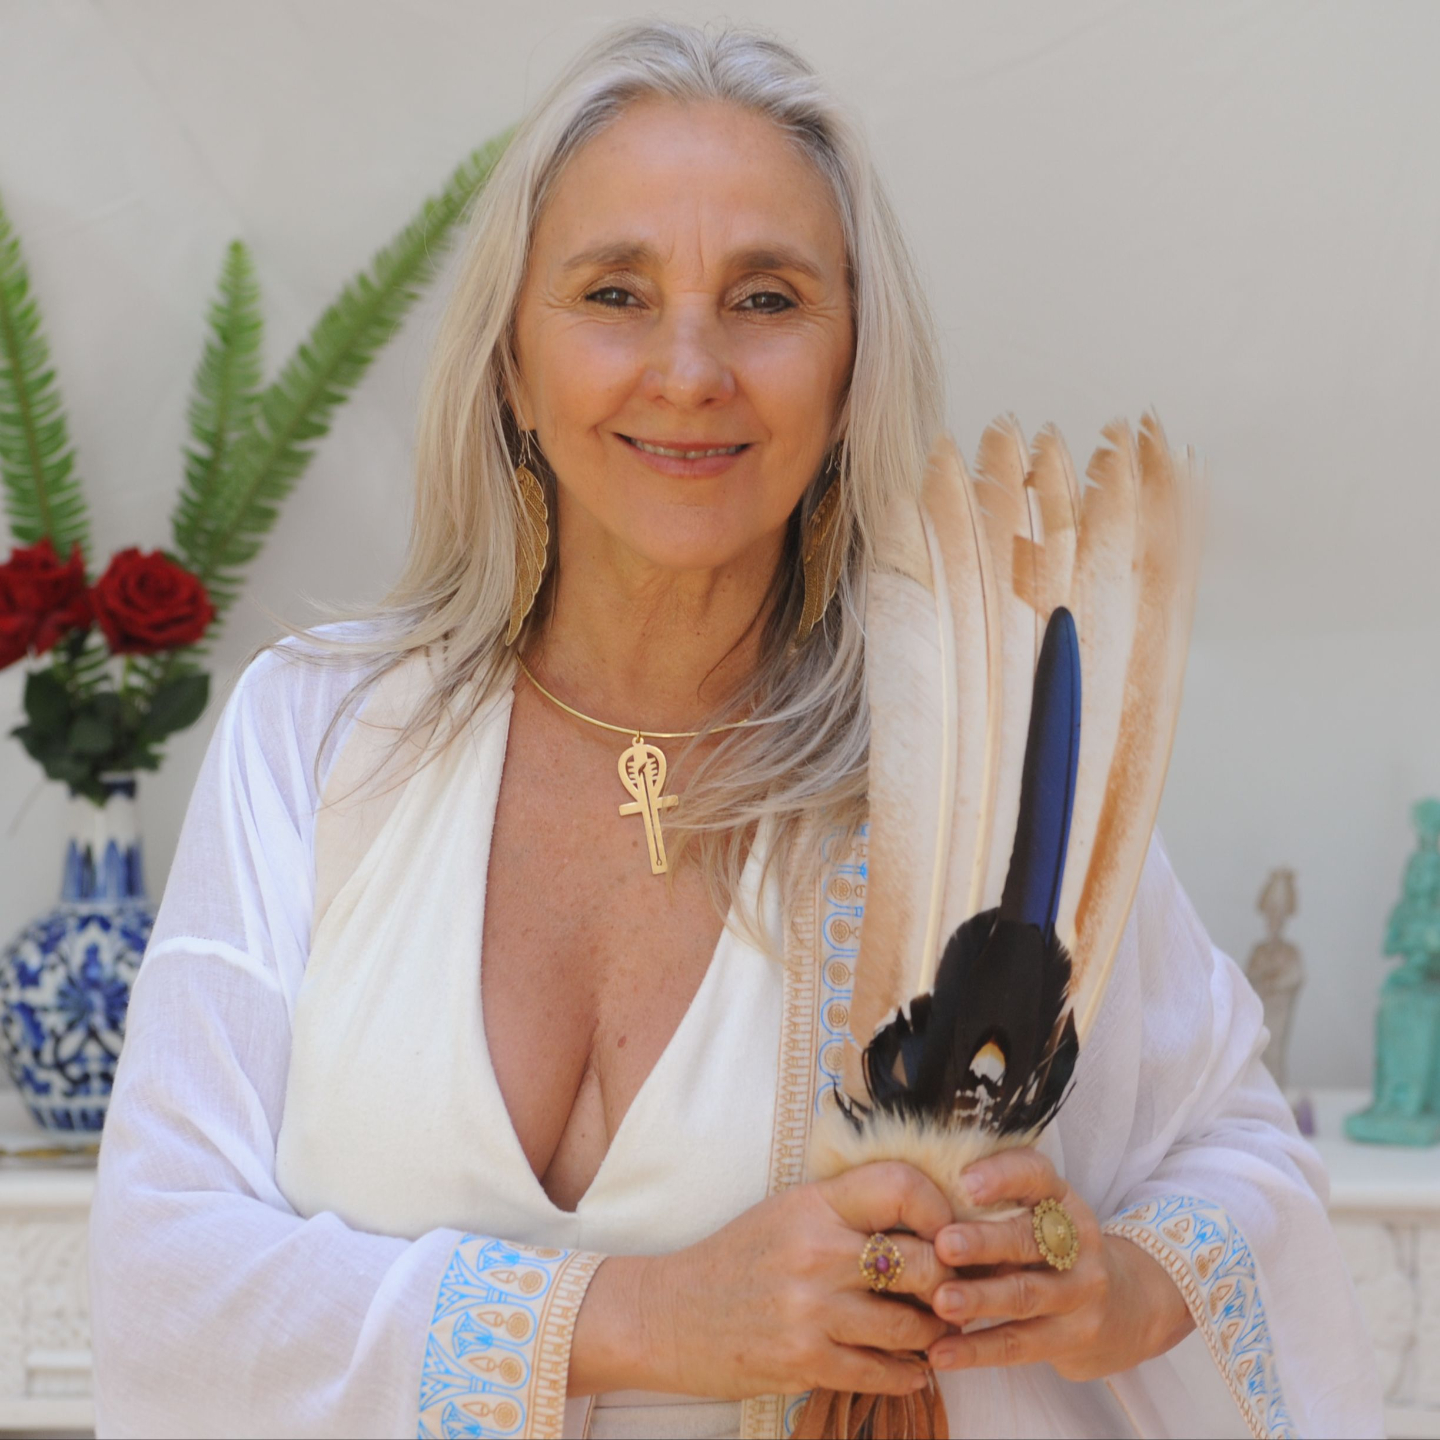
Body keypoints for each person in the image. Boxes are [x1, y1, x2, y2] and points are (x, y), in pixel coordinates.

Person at [88, 21, 1382, 1440]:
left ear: (851, 368)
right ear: (512, 363)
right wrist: (642, 1319)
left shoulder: (968, 765)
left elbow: (1241, 1154)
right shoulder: (315, 734)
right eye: (615, 293)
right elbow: (161, 1281)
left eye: (767, 298)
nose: (691, 367)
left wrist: (1108, 1285)